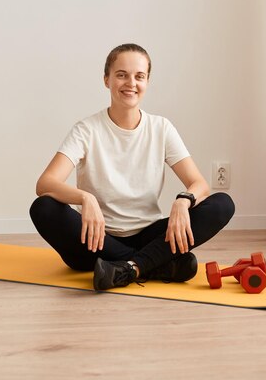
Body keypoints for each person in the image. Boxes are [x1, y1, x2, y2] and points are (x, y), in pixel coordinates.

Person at [30, 43, 235, 291]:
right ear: (106, 80)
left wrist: (184, 200)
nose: (131, 83)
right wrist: (85, 198)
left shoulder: (161, 128)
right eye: (121, 75)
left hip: (148, 233)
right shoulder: (86, 130)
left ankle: (128, 268)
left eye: (139, 76)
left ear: (147, 82)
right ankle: (155, 263)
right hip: (95, 239)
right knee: (44, 208)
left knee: (222, 204)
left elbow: (199, 184)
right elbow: (45, 183)